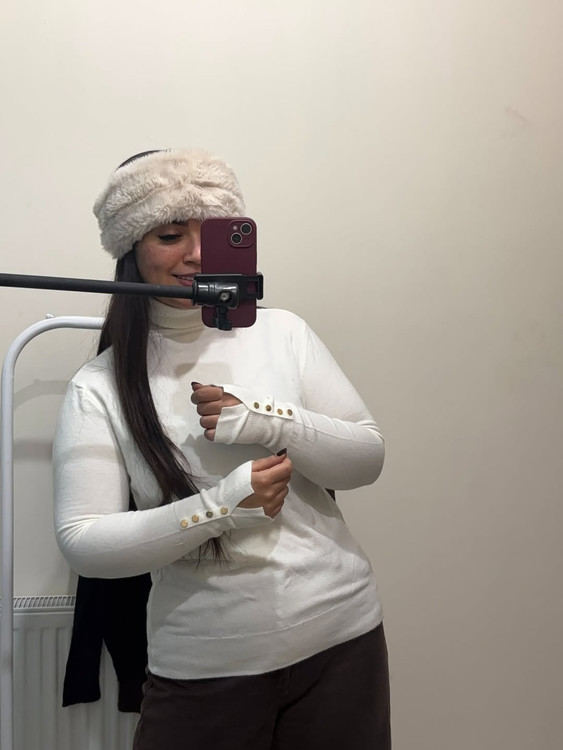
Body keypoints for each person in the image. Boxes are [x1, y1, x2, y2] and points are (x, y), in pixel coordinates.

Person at [53, 148, 390, 750]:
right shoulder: (99, 385)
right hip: (206, 667)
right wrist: (221, 506)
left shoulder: (283, 332)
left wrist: (272, 421)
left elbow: (366, 458)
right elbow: (85, 542)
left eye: (210, 233)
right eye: (170, 235)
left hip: (342, 639)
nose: (196, 254)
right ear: (132, 251)